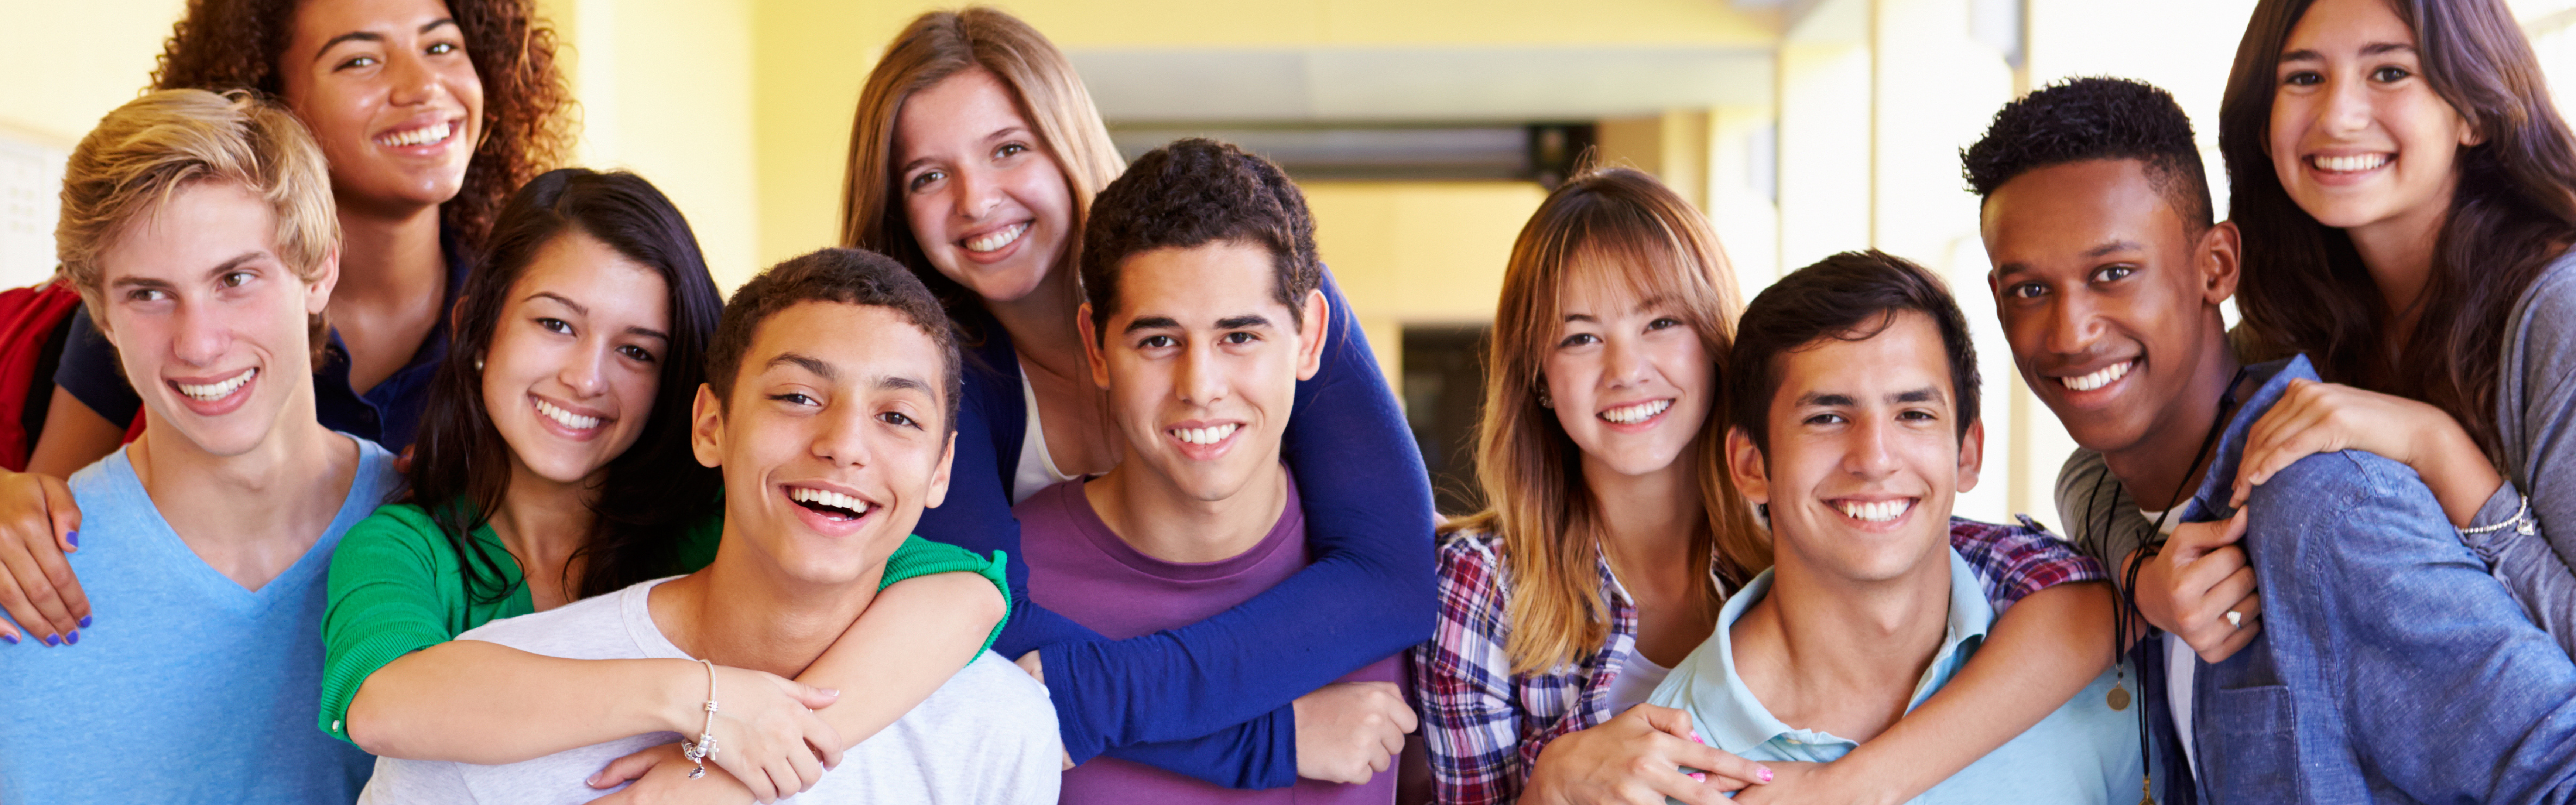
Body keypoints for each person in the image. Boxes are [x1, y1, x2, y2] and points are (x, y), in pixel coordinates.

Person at [839, 7, 1433, 787]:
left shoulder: (1245, 266)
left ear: (1067, 142)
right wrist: (1263, 741)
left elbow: (1392, 575)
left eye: (1009, 149)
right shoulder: (932, 381)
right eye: (929, 176)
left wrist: (1093, 697)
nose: (976, 200)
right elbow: (987, 650)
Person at [1413, 167, 2118, 805]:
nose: (1626, 370)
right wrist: (1550, 787)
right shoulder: (1480, 588)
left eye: (1661, 323)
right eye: (1580, 338)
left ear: (1713, 339)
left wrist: (1847, 791)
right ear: (1536, 375)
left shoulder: (1806, 516)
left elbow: (2067, 596)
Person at [1972, 75, 2576, 803]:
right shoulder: (2125, 506)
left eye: (2114, 273)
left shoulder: (2327, 513)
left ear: (2215, 267)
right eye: (2029, 290)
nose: (2069, 333)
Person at [316, 168, 1005, 804]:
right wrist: (700, 704)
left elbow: (963, 589)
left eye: (637, 351)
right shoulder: (406, 546)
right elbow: (382, 700)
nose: (587, 378)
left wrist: (741, 778)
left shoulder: (723, 516)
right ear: (476, 330)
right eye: (556, 324)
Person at [0, 0, 575, 648]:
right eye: (360, 60)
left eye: (441, 48)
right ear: (272, 98)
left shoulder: (528, 318)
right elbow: (51, 519)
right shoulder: (147, 303)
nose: (422, 89)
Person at [0, 88, 395, 803]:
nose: (199, 342)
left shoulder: (447, 532)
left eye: (236, 279)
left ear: (319, 272)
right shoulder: (22, 574)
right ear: (101, 314)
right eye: (148, 295)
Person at [1645, 250, 2141, 802]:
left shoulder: (2104, 680)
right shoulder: (1667, 768)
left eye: (1914, 415)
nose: (1875, 459)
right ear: (1751, 465)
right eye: (1827, 418)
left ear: (1968, 453)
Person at [1014, 138, 1411, 803]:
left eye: (1240, 337)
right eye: (1159, 341)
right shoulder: (996, 587)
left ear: (1310, 337)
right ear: (1097, 348)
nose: (1200, 386)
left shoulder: (1417, 598)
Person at [2218, 0, 2576, 648]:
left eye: (2388, 73)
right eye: (2303, 78)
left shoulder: (2561, 309)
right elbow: (2103, 465)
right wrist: (2147, 573)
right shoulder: (2301, 315)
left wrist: (2435, 447)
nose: (2337, 117)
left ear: (2472, 109)